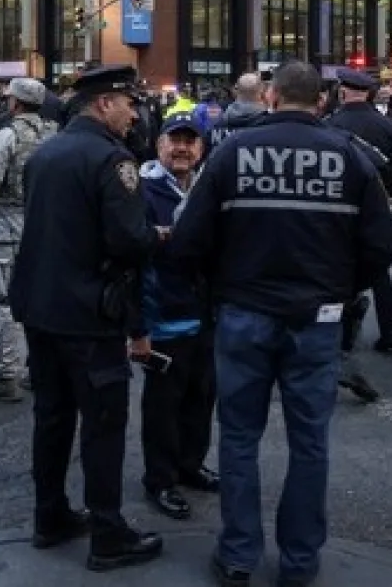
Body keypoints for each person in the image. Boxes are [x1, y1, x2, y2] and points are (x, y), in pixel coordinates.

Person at [169, 62, 392, 587]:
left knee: (240, 438)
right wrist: (340, 289)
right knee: (310, 441)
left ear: (270, 96)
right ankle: (299, 562)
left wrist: (217, 290)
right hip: (316, 316)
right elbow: (379, 247)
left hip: (243, 312)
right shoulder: (351, 157)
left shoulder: (229, 153)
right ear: (322, 100)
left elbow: (187, 242)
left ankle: (239, 554)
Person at [9, 64, 164, 572]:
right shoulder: (112, 159)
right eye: (127, 103)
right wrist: (157, 236)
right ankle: (108, 532)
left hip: (41, 306)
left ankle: (49, 515)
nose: (133, 113)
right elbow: (127, 240)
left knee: (51, 416)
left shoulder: (46, 152)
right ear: (103, 104)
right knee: (103, 423)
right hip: (90, 311)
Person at [136, 113, 218, 522]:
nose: (183, 148)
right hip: (163, 315)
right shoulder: (141, 191)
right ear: (159, 145)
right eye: (175, 140)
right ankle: (161, 479)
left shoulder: (208, 189)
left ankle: (190, 464)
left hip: (205, 314)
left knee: (201, 396)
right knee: (163, 406)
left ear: (201, 148)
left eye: (191, 141)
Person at [0, 77, 55, 402]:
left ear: (14, 103)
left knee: (3, 300)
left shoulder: (7, 135)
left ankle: (7, 375)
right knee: (41, 299)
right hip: (45, 227)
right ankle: (40, 369)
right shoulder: (53, 134)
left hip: (9, 226)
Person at [324, 68, 392, 352]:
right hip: (379, 204)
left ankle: (342, 332)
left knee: (341, 268)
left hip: (341, 205)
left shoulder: (330, 124)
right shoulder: (388, 126)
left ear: (343, 92)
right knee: (379, 269)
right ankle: (390, 328)